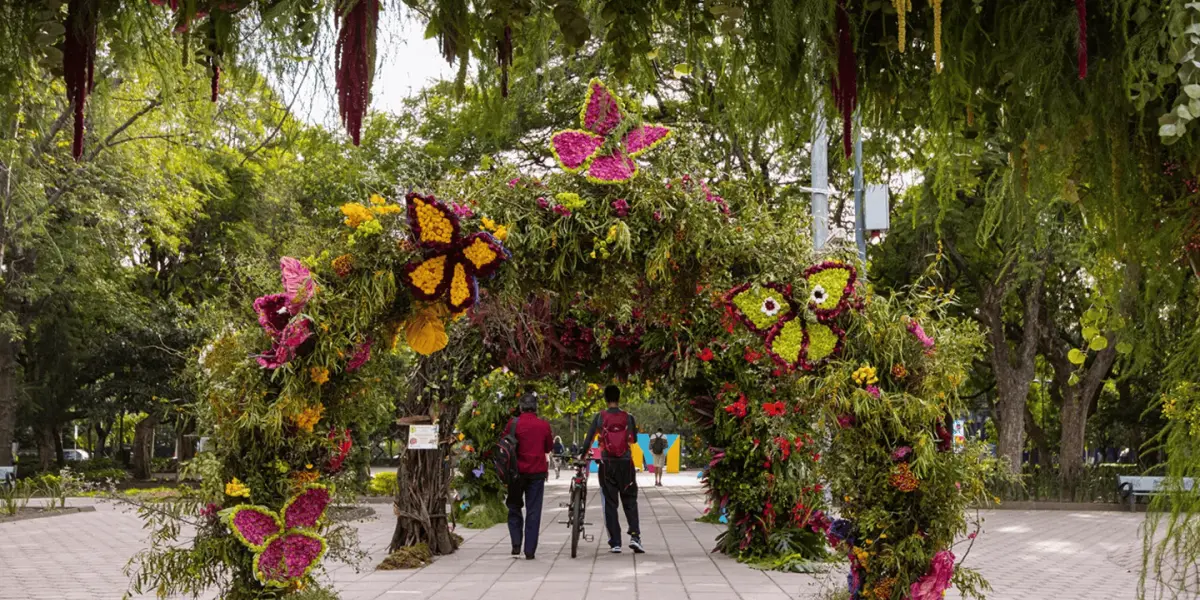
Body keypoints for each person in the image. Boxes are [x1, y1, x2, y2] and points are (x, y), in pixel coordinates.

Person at [580, 385, 644, 554]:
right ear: (619, 397)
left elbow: (588, 440)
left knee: (610, 503)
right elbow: (634, 440)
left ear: (605, 399)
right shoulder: (628, 417)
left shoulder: (600, 417)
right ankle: (635, 536)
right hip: (626, 464)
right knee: (630, 499)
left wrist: (582, 456)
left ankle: (615, 542)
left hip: (607, 464)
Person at [505, 392, 553, 560]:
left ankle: (516, 544)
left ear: (520, 407)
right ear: (536, 407)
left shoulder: (513, 424)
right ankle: (530, 550)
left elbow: (506, 446)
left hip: (516, 473)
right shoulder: (544, 425)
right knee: (533, 511)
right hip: (537, 473)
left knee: (514, 506)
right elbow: (548, 447)